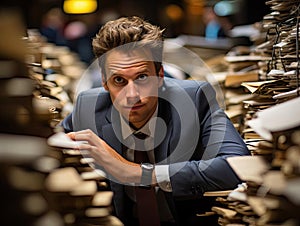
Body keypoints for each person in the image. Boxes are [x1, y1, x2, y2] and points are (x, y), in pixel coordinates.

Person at [61, 16, 250, 226]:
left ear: (160, 75)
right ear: (104, 82)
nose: (131, 95)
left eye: (142, 77)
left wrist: (137, 173)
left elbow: (237, 166)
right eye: (118, 80)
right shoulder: (87, 108)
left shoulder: (195, 99)